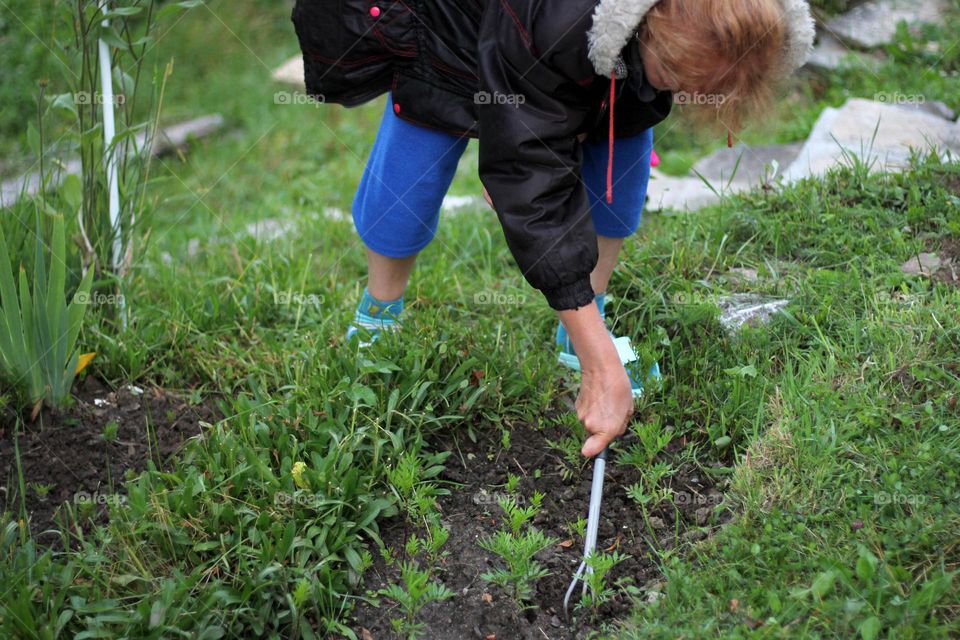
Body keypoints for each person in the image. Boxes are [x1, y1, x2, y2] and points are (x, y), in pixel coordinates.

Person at [291, 0, 815, 457]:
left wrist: (590, 339)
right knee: (411, 178)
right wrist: (600, 364)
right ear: (655, 30)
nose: (689, 95)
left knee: (619, 165)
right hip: (453, 27)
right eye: (680, 76)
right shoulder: (555, 20)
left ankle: (586, 324)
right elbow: (528, 180)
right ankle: (378, 317)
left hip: (591, 39)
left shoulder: (679, 26)